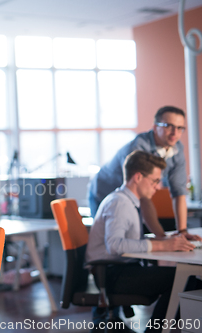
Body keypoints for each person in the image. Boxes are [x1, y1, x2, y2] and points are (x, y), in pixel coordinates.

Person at [86, 150, 197, 332]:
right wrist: (162, 244)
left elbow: (128, 241)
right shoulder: (119, 203)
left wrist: (167, 240)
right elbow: (114, 245)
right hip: (112, 275)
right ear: (138, 177)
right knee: (185, 281)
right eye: (154, 181)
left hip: (118, 271)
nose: (157, 187)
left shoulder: (126, 201)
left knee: (187, 281)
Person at [88, 105, 201, 241]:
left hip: (133, 198)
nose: (174, 133)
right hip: (104, 193)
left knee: (134, 239)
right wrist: (163, 238)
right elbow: (143, 196)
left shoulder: (176, 150)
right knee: (110, 242)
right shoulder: (138, 148)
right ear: (155, 127)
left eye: (179, 128)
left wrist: (182, 231)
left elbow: (179, 193)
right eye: (168, 126)